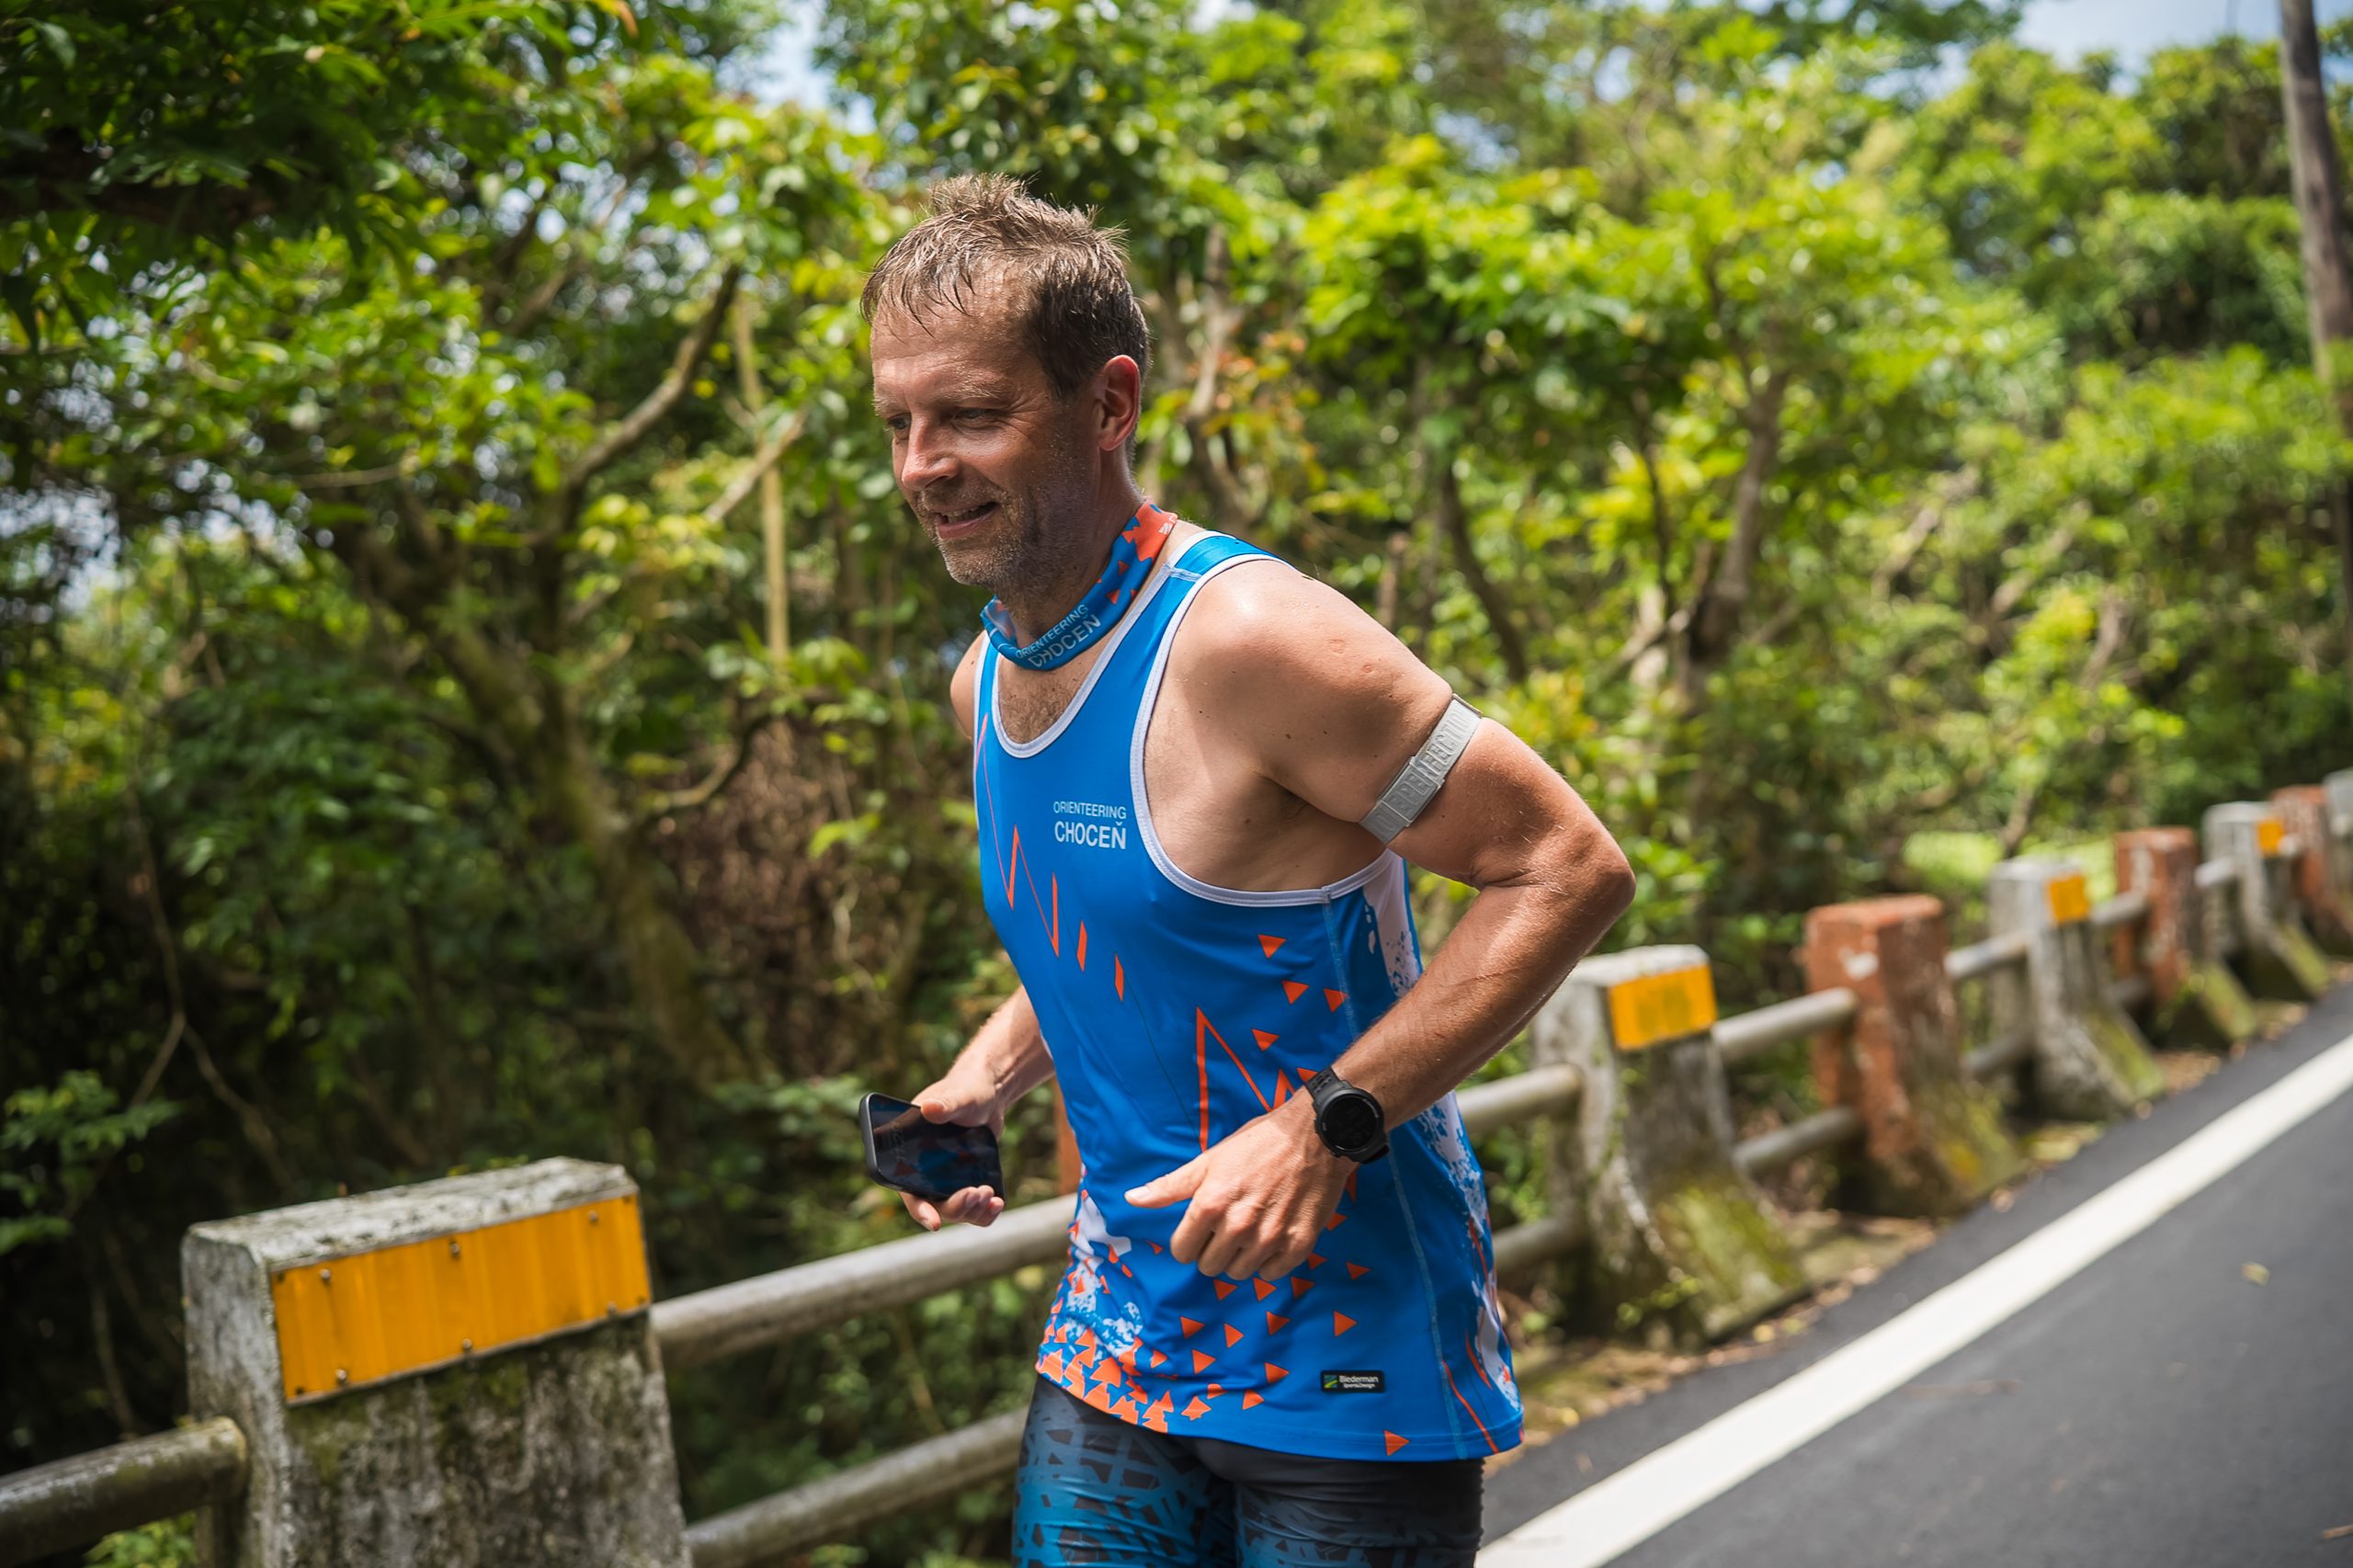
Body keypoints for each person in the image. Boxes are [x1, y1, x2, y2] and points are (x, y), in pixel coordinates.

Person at [864, 174, 1635, 1568]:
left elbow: (1566, 866)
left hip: (1351, 1345)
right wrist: (985, 1077)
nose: (924, 464)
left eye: (971, 414)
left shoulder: (1254, 640)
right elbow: (1129, 922)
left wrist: (1325, 1125)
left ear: (1109, 404)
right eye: (899, 424)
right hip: (1124, 1327)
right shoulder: (987, 680)